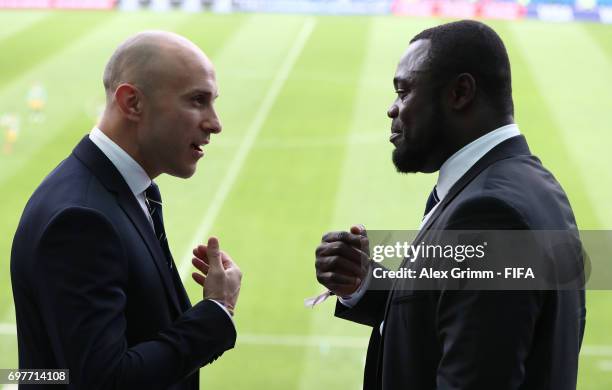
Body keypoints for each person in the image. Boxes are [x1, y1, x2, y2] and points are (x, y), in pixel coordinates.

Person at [315, 20, 585, 389]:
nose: (392, 110)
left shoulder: (490, 215)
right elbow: (457, 320)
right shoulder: (526, 185)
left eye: (403, 91)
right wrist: (366, 285)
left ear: (460, 92)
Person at [11, 31, 242, 389]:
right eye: (198, 100)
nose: (215, 122)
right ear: (132, 102)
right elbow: (106, 379)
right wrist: (216, 313)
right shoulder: (81, 220)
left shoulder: (130, 190)